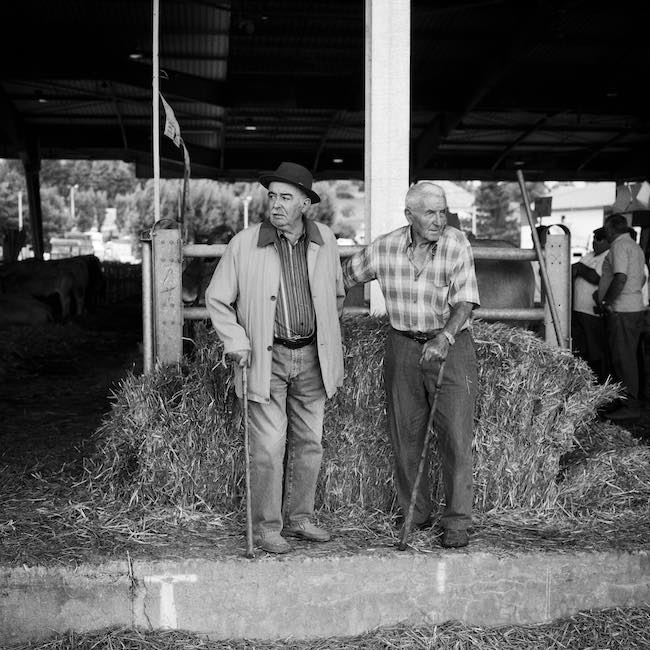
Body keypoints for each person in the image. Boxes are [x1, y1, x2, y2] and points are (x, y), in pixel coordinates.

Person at [205, 161, 345, 554]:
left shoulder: (325, 241)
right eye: (272, 196)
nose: (276, 205)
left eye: (286, 198)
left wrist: (329, 338)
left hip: (313, 357)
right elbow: (217, 299)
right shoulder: (244, 244)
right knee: (268, 446)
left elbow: (335, 294)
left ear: (305, 203)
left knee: (310, 443)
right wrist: (236, 341)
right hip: (267, 358)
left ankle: (300, 518)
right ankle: (267, 528)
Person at [342, 182, 479, 548]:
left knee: (455, 436)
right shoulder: (384, 248)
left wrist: (445, 337)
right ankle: (416, 513)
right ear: (409, 215)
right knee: (406, 435)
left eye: (443, 211)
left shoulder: (456, 243)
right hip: (402, 345)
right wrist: (331, 315)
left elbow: (465, 302)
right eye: (430, 213)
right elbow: (343, 277)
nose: (440, 220)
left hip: (450, 345)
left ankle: (456, 521)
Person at [597, 213, 647, 421]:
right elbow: (641, 277)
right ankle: (626, 398)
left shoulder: (618, 246)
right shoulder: (635, 247)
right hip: (633, 306)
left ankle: (630, 404)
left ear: (610, 229)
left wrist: (607, 301)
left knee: (623, 358)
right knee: (629, 356)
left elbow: (620, 277)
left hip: (622, 310)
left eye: (605, 230)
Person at [571, 227, 610, 382]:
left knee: (597, 351)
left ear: (607, 241)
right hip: (578, 310)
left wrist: (580, 269)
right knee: (582, 350)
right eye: (594, 238)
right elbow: (573, 270)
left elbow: (596, 277)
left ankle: (600, 382)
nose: (595, 242)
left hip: (592, 312)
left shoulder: (608, 257)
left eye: (599, 239)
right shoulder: (589, 256)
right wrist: (579, 269)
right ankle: (585, 382)